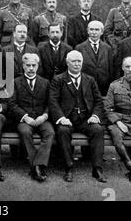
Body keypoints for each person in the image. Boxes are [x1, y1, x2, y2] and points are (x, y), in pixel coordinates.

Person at [49, 51, 106, 183]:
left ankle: (97, 168)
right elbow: (53, 102)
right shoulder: (58, 80)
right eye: (73, 61)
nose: (76, 64)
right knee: (63, 131)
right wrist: (61, 118)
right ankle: (68, 167)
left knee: (97, 129)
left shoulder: (90, 80)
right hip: (67, 119)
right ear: (67, 63)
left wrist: (95, 116)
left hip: (86, 119)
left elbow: (98, 101)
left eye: (79, 61)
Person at [8, 53, 54, 182]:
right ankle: (37, 167)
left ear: (38, 66)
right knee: (25, 132)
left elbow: (50, 103)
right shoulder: (15, 82)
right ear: (23, 66)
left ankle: (38, 164)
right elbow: (12, 104)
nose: (31, 68)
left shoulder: (45, 82)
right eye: (28, 65)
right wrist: (25, 117)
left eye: (34, 65)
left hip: (41, 118)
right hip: (24, 119)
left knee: (50, 132)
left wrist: (44, 116)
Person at [76, 21, 114, 96]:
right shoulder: (79, 48)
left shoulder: (107, 48)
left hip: (104, 88)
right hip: (86, 87)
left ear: (102, 32)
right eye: (91, 29)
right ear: (87, 31)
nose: (94, 32)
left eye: (97, 30)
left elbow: (111, 70)